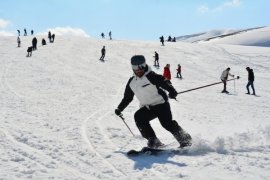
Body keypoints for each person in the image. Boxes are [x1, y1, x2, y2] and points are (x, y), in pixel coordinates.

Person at [114, 55, 192, 148]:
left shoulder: (151, 75)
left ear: (145, 65)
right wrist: (120, 108)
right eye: (136, 68)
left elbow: (164, 81)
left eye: (141, 66)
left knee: (167, 124)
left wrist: (172, 91)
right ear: (132, 68)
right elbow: (127, 97)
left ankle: (186, 140)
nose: (139, 70)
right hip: (148, 107)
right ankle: (153, 140)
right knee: (139, 117)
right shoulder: (132, 82)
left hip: (161, 104)